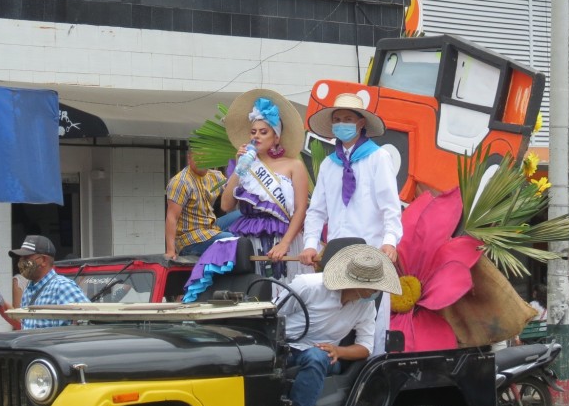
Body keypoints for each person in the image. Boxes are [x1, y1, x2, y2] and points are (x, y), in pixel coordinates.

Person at [299, 92, 403, 355]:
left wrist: (390, 241)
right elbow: (316, 210)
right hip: (335, 256)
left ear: (361, 124)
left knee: (370, 323)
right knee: (335, 318)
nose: (341, 123)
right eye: (337, 119)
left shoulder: (377, 158)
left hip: (369, 256)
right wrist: (311, 243)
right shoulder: (328, 165)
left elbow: (390, 206)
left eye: (347, 118)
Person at [280, 240, 402, 406]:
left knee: (317, 356)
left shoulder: (366, 306)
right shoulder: (308, 286)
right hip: (284, 346)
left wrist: (338, 350)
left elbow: (365, 347)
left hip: (323, 354)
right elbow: (273, 314)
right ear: (357, 284)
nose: (377, 292)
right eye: (374, 287)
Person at [219, 89, 310, 280]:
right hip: (248, 238)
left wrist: (285, 244)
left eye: (263, 132)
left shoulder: (294, 166)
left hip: (281, 237)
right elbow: (226, 206)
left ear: (276, 137)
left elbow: (301, 210)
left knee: (281, 287)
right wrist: (239, 167)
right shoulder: (245, 165)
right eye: (253, 132)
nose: (256, 136)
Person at [164, 151, 235, 259]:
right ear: (189, 158)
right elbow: (171, 217)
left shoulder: (215, 176)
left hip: (211, 227)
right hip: (190, 239)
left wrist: (241, 166)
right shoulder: (180, 182)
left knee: (245, 216)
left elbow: (233, 191)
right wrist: (170, 251)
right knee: (230, 240)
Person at [11, 235, 90, 329]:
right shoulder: (29, 289)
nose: (21, 261)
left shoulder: (62, 287)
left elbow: (88, 321)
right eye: (21, 258)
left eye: (26, 257)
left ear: (43, 260)